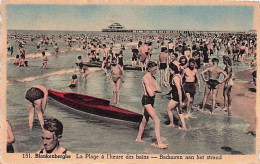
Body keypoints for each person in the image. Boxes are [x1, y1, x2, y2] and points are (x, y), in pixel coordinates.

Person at [136, 61, 168, 149]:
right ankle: (159, 143)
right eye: (154, 70)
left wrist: (154, 89)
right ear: (149, 69)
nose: (155, 71)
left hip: (151, 100)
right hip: (146, 100)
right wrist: (154, 89)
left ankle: (138, 138)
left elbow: (160, 89)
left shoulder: (153, 77)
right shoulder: (146, 78)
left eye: (156, 70)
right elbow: (150, 93)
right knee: (157, 120)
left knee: (144, 120)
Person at [166, 63, 186, 130]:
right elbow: (181, 87)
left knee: (168, 109)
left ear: (173, 70)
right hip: (181, 95)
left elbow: (179, 89)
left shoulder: (175, 78)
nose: (169, 72)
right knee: (178, 111)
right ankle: (184, 126)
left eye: (170, 70)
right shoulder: (179, 75)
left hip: (177, 96)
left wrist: (180, 101)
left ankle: (172, 124)